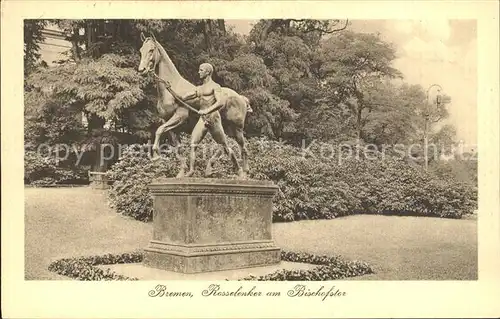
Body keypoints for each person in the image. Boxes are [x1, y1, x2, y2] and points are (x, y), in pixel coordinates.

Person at [177, 63, 243, 178]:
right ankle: (191, 170)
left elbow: (220, 102)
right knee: (193, 144)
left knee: (224, 146)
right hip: (203, 119)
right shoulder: (200, 88)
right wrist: (171, 90)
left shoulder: (215, 87)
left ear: (207, 72)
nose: (199, 72)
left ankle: (238, 168)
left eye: (201, 70)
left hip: (213, 118)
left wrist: (207, 111)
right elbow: (185, 97)